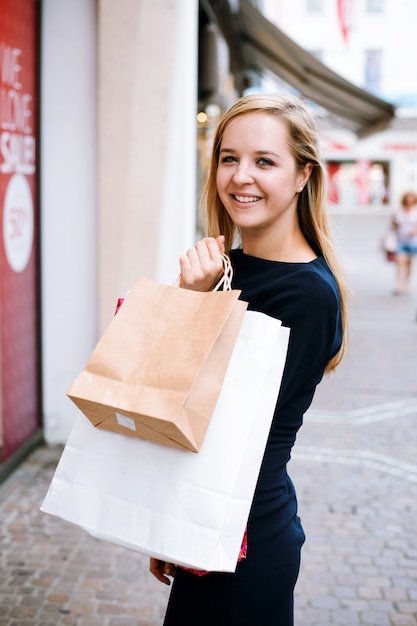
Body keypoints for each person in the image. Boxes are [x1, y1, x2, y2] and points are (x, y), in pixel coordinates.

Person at [150, 93, 349, 626]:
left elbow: (228, 424)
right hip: (204, 520)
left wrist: (193, 305)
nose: (241, 176)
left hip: (246, 539)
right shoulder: (228, 268)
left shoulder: (308, 294)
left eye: (265, 161)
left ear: (304, 175)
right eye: (229, 157)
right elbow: (169, 405)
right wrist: (169, 519)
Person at [392, 191, 417, 295]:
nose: (409, 200)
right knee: (400, 261)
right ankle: (398, 284)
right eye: (408, 198)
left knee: (409, 263)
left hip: (412, 241)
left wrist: (414, 231)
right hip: (401, 240)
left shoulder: (415, 211)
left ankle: (406, 282)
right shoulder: (399, 210)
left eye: (411, 198)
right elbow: (393, 223)